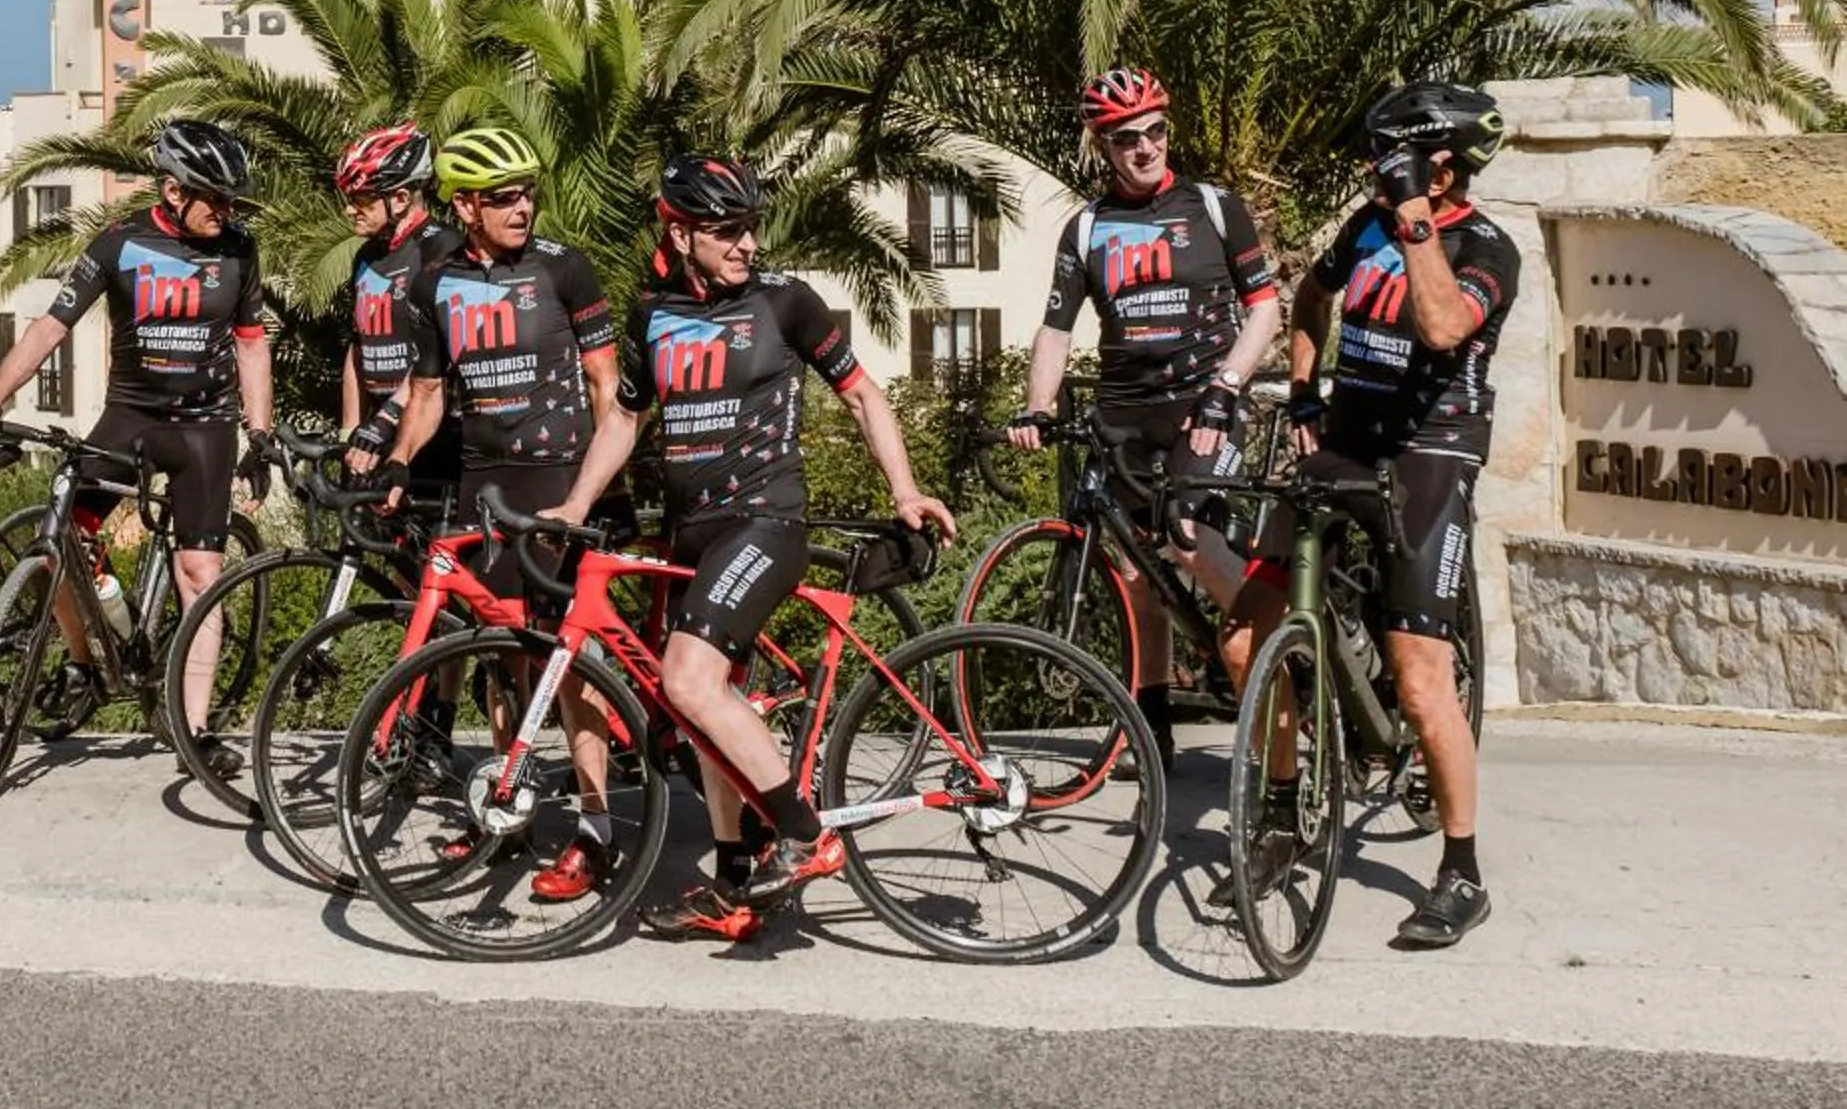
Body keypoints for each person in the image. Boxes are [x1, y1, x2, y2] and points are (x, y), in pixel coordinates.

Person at [553, 157, 955, 937]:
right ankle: (736, 879)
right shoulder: (652, 316)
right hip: (692, 532)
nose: (746, 243)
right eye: (727, 230)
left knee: (689, 679)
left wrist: (903, 489)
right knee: (706, 706)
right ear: (680, 232)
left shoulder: (785, 303)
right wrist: (574, 504)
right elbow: (625, 419)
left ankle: (804, 836)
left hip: (764, 522)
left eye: (750, 227)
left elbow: (866, 395)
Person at [1225, 81, 1515, 950]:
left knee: (1421, 678)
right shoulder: (1362, 228)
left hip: (1431, 454)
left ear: (1439, 165)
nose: (1368, 170)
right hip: (1345, 442)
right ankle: (1282, 814)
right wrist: (1307, 394)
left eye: (1384, 156)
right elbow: (1312, 301)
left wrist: (1416, 216)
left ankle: (1461, 872)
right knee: (1245, 638)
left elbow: (1438, 328)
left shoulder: (1485, 247)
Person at [0, 119, 273, 777]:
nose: (226, 212)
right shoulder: (118, 244)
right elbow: (52, 325)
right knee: (60, 538)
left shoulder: (240, 250)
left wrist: (261, 432)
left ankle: (192, 730)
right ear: (172, 189)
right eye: (213, 198)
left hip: (205, 426)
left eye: (231, 201)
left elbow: (251, 342)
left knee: (201, 576)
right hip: (130, 416)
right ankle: (84, 661)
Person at [376, 125, 624, 903]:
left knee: (572, 665)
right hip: (485, 487)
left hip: (560, 486)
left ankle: (596, 827)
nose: (523, 207)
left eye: (529, 193)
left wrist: (598, 493)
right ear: (466, 206)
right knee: (500, 658)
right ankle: (506, 810)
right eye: (504, 197)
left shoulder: (564, 269)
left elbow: (607, 388)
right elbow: (425, 396)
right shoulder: (432, 286)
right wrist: (395, 463)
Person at [1011, 66, 1280, 770]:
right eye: (1127, 138)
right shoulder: (1088, 228)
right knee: (1137, 578)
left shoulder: (1216, 208)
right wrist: (1038, 408)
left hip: (1205, 412)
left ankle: (1273, 654)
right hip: (1123, 421)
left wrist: (1227, 386)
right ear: (1102, 146)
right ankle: (1151, 732)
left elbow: (1265, 308)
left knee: (1188, 540)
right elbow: (1056, 330)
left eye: (1156, 131)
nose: (1145, 147)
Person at [333, 122, 461, 515]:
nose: (350, 209)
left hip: (435, 436)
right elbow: (358, 347)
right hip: (378, 431)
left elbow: (442, 351)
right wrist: (350, 432)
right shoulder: (366, 256)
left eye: (363, 200)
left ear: (402, 198)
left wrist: (388, 418)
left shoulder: (442, 248)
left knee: (433, 568)